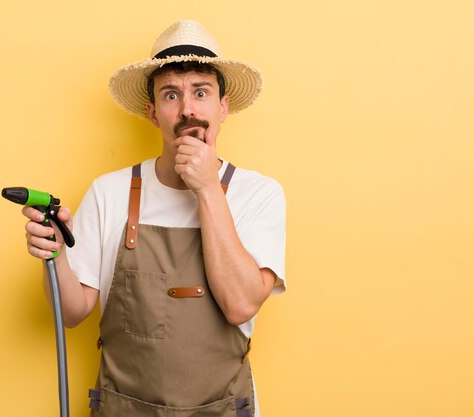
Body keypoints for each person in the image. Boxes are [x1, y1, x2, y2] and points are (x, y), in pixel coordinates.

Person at [23, 20, 286, 417]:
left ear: (223, 106)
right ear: (152, 112)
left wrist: (207, 188)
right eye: (170, 95)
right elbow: (73, 313)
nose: (188, 110)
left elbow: (240, 306)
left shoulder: (260, 194)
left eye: (201, 92)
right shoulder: (109, 192)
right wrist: (56, 254)